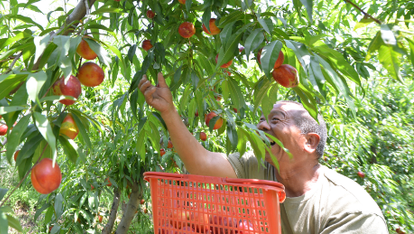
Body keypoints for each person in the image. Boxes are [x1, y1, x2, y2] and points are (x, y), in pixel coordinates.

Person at [139, 73, 388, 234]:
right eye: (260, 119)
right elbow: (203, 164)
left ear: (310, 143)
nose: (261, 126)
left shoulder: (350, 210)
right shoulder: (259, 167)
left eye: (275, 120)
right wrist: (169, 112)